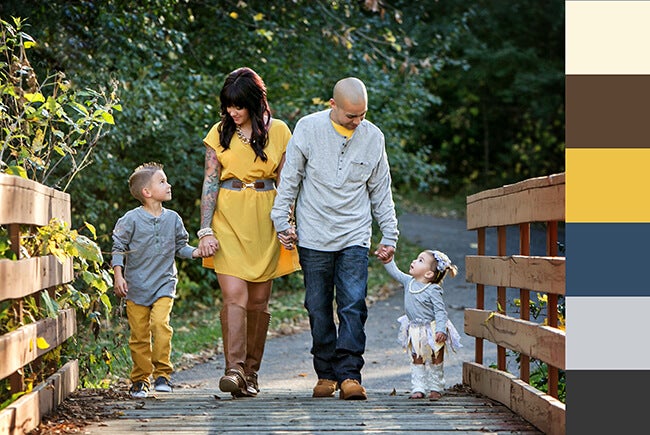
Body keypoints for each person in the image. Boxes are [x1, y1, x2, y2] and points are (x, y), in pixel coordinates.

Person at [271, 77, 399, 400]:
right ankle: (325, 373)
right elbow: (290, 179)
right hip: (313, 233)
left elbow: (381, 189)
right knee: (317, 305)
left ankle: (349, 375)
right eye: (350, 116)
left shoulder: (373, 138)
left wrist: (389, 233)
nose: (357, 122)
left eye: (362, 115)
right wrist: (280, 220)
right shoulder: (308, 129)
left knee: (353, 304)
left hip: (354, 233)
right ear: (333, 106)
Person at [196, 67, 300, 398]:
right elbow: (210, 181)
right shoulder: (219, 132)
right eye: (228, 106)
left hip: (266, 219)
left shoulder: (281, 131)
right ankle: (234, 368)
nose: (232, 112)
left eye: (238, 106)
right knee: (234, 296)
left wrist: (288, 223)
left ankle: (251, 373)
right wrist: (204, 229)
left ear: (254, 103)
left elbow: (287, 183)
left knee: (258, 302)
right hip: (228, 219)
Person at [111, 162, 203, 399]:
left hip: (164, 283)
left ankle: (163, 375)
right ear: (147, 192)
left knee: (160, 325)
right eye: (162, 181)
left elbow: (181, 246)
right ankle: (140, 380)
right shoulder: (130, 220)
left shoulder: (173, 219)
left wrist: (195, 252)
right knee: (139, 336)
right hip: (135, 286)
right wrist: (118, 276)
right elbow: (118, 248)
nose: (168, 184)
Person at [381, 249, 462, 400]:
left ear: (429, 274)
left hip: (431, 328)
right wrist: (388, 261)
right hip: (415, 329)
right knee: (416, 358)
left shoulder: (433, 290)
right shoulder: (408, 282)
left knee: (436, 358)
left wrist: (440, 329)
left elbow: (440, 311)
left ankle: (436, 387)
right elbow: (396, 273)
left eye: (420, 261)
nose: (414, 261)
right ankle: (418, 387)